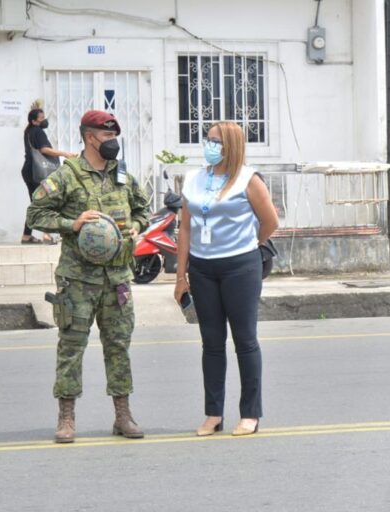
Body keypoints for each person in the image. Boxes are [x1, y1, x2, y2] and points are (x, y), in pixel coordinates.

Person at [26, 110, 150, 443]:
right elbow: (36, 214)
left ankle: (123, 415)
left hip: (118, 278)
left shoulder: (122, 174)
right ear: (90, 136)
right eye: (107, 136)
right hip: (78, 280)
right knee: (71, 347)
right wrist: (72, 224)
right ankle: (66, 417)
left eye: (115, 136)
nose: (113, 142)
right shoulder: (66, 176)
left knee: (118, 346)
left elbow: (142, 209)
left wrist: (137, 227)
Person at [174, 122, 279, 437]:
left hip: (240, 268)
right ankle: (213, 413)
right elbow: (185, 228)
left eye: (216, 141)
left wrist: (246, 246)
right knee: (211, 343)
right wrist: (181, 275)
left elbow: (270, 221)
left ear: (231, 145)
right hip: (202, 269)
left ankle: (250, 414)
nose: (210, 145)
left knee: (245, 341)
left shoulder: (248, 179)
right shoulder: (194, 179)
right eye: (207, 140)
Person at [21, 107, 77, 244]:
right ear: (34, 121)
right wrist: (65, 153)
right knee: (49, 199)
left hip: (30, 171)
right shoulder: (38, 131)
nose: (44, 120)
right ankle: (47, 235)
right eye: (41, 118)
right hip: (40, 172)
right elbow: (44, 149)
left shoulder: (28, 131)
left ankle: (27, 236)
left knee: (36, 203)